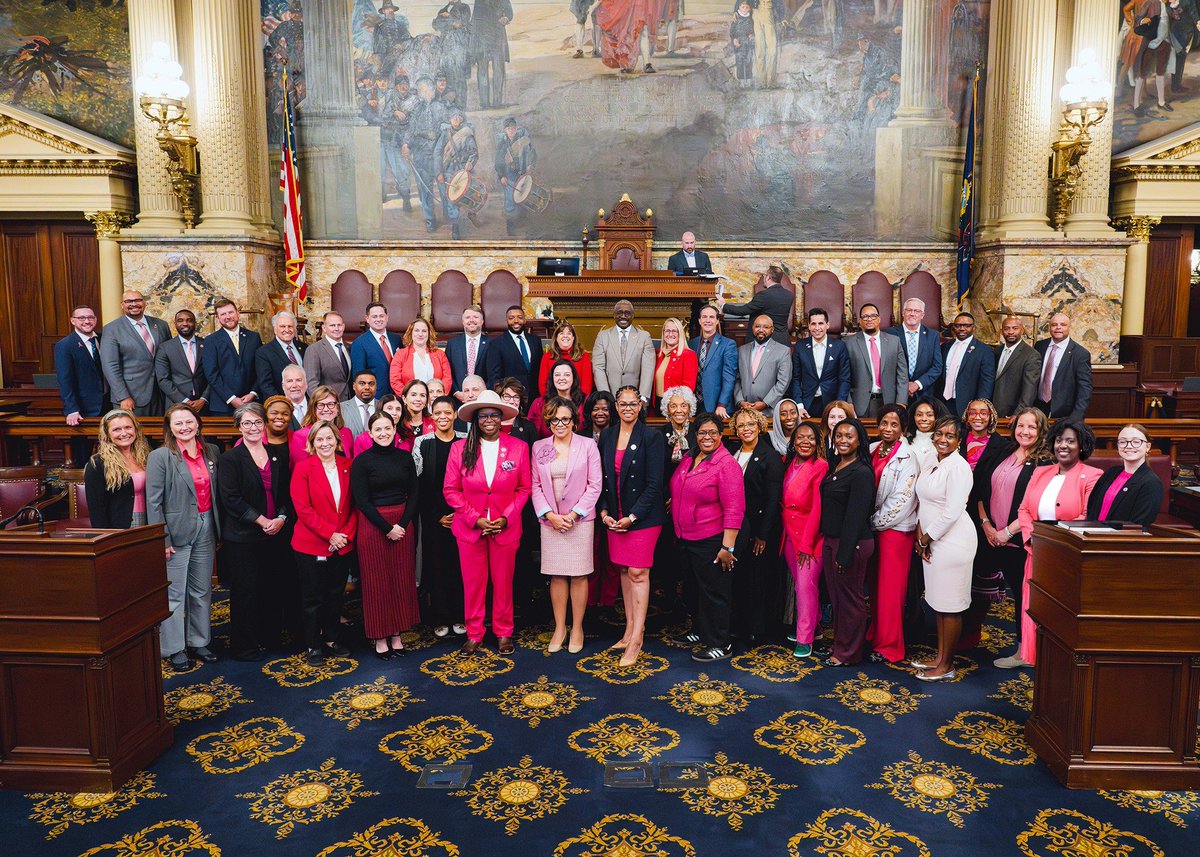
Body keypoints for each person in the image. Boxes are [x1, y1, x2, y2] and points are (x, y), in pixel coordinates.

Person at [443, 390, 532, 655]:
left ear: (502, 418)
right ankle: (474, 633)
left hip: (506, 528)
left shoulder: (518, 447)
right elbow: (450, 490)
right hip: (471, 530)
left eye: (494, 415)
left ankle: (504, 632)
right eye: (483, 416)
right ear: (475, 420)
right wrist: (476, 519)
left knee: (504, 583)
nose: (489, 420)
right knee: (473, 583)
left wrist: (506, 517)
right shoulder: (460, 448)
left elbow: (524, 489)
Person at [1015, 420, 1102, 666]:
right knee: (1034, 607)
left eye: (1070, 441)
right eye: (1059, 440)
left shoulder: (1093, 476)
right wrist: (1033, 539)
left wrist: (1051, 543)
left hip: (1065, 557)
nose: (1063, 445)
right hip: (1036, 551)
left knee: (1059, 614)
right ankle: (1035, 662)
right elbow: (1023, 510)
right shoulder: (1040, 471)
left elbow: (1086, 517)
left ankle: (1057, 666)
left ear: (1082, 446)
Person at [146, 404, 222, 672]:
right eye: (178, 423)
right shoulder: (161, 456)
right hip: (175, 531)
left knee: (202, 590)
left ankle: (199, 641)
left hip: (207, 526)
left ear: (198, 424)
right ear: (170, 428)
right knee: (174, 594)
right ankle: (174, 648)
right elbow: (153, 502)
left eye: (189, 422)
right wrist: (161, 539)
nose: (185, 427)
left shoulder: (211, 451)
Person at [973, 406, 1050, 670]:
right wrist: (986, 524)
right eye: (1021, 426)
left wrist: (1007, 532)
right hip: (991, 534)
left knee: (1023, 596)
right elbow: (981, 487)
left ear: (1041, 431)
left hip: (1019, 541)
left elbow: (1035, 505)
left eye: (1031, 427)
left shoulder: (1045, 462)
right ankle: (967, 638)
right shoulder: (1003, 451)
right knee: (978, 582)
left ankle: (1023, 652)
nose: (1025, 431)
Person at [217, 403, 292, 662]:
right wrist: (261, 520)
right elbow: (231, 499)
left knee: (272, 588)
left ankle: (269, 638)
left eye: (258, 422)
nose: (253, 427)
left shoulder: (277, 455)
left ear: (265, 425)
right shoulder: (230, 459)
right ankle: (245, 645)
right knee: (245, 591)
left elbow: (285, 494)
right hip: (243, 536)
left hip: (275, 533)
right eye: (247, 423)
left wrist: (280, 518)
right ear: (239, 426)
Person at [669, 412, 745, 662]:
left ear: (721, 435)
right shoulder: (690, 457)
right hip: (686, 537)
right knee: (693, 590)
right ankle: (700, 631)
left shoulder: (726, 464)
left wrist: (728, 547)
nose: (707, 437)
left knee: (715, 593)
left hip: (712, 540)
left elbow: (735, 508)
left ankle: (720, 643)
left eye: (713, 432)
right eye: (702, 432)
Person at [598, 386, 666, 666]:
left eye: (633, 403)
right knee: (625, 571)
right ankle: (628, 630)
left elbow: (654, 484)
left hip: (643, 518)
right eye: (623, 403)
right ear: (616, 406)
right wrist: (604, 512)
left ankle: (637, 637)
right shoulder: (608, 435)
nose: (628, 408)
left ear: (640, 406)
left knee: (638, 572)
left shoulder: (652, 436)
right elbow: (602, 477)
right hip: (615, 516)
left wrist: (633, 517)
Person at [532, 396, 603, 653]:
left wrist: (574, 515)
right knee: (557, 574)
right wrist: (550, 515)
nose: (559, 424)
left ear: (574, 421)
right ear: (548, 422)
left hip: (579, 520)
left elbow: (595, 485)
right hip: (551, 521)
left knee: (579, 574)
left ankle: (578, 627)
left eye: (565, 419)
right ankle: (560, 627)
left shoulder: (587, 446)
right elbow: (535, 486)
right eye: (554, 420)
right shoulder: (539, 446)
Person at [912, 416, 977, 681]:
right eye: (940, 433)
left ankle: (947, 666)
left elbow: (952, 512)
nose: (942, 439)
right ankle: (939, 657)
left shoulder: (959, 467)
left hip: (954, 542)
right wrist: (920, 534)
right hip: (931, 539)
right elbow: (921, 499)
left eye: (950, 436)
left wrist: (926, 538)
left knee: (950, 604)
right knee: (938, 602)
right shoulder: (931, 459)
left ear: (960, 441)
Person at [351, 410, 421, 659]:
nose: (383, 433)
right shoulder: (362, 461)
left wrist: (401, 524)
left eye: (387, 428)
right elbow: (362, 501)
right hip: (373, 525)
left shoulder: (404, 457)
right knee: (376, 583)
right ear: (370, 433)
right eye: (378, 429)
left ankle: (397, 635)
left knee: (401, 580)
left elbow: (414, 493)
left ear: (394, 430)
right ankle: (380, 638)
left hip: (402, 524)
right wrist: (387, 528)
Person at [291, 420, 356, 666]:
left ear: (337, 441)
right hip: (312, 544)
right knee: (312, 598)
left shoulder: (349, 466)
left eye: (329, 438)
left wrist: (345, 535)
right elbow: (303, 509)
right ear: (312, 443)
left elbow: (356, 507)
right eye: (319, 439)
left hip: (342, 544)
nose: (325, 443)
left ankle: (331, 638)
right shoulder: (303, 469)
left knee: (334, 595)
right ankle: (313, 644)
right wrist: (330, 534)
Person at [819, 418, 876, 666]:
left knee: (851, 600)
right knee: (838, 598)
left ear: (859, 440)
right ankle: (840, 644)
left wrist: (844, 553)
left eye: (849, 436)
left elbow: (856, 515)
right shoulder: (838, 465)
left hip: (851, 544)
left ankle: (848, 653)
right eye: (839, 435)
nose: (843, 440)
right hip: (833, 541)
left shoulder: (862, 472)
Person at [727, 407, 783, 645]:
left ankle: (756, 629)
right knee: (738, 578)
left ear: (760, 426)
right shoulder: (732, 453)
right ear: (736, 430)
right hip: (736, 527)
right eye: (741, 425)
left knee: (757, 580)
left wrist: (762, 535)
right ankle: (738, 625)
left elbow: (773, 500)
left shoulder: (770, 456)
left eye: (750, 424)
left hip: (759, 529)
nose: (746, 429)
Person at [867, 404, 919, 664]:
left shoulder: (908, 458)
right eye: (884, 423)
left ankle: (890, 645)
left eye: (894, 424)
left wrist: (872, 523)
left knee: (890, 591)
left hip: (895, 531)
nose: (888, 428)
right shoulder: (872, 449)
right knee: (875, 587)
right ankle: (876, 634)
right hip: (875, 528)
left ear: (903, 428)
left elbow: (902, 501)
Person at [417, 396, 467, 638]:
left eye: (448, 412)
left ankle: (460, 615)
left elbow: (470, 483)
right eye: (438, 413)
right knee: (436, 567)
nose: (443, 417)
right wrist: (437, 516)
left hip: (462, 516)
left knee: (460, 568)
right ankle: (440, 617)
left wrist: (459, 514)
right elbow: (418, 486)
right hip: (433, 518)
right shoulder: (422, 443)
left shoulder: (466, 442)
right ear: (431, 415)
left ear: (455, 414)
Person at [781, 422, 828, 658]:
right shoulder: (789, 464)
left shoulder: (821, 466)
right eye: (800, 438)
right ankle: (815, 627)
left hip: (810, 537)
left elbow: (818, 509)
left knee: (805, 586)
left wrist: (808, 543)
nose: (805, 442)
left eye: (811, 438)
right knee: (803, 586)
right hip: (789, 534)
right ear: (793, 441)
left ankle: (805, 637)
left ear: (818, 442)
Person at [100, 289, 171, 416]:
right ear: (122, 305)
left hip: (161, 394)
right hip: (131, 396)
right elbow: (110, 366)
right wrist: (123, 396)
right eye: (129, 301)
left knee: (160, 434)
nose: (134, 304)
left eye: (138, 300)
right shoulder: (111, 329)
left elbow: (169, 356)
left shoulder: (161, 325)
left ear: (144, 303)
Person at [56, 304, 108, 464]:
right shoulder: (65, 345)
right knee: (83, 455)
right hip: (83, 409)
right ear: (73, 321)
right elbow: (65, 380)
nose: (87, 321)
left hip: (108, 404)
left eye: (91, 317)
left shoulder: (104, 339)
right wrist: (72, 409)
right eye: (82, 318)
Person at [83, 409, 151, 529]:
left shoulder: (147, 457)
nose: (124, 433)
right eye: (116, 429)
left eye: (128, 427)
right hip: (118, 528)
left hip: (150, 522)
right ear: (107, 434)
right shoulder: (97, 464)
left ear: (135, 429)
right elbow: (97, 510)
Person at [1087, 423, 1164, 528]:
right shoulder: (1111, 473)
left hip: (1120, 540)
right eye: (1123, 442)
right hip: (1092, 535)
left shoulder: (1151, 483)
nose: (1129, 446)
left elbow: (1139, 525)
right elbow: (1092, 506)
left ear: (1147, 447)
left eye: (1136, 442)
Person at [845, 303, 907, 417]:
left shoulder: (894, 341)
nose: (869, 319)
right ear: (860, 320)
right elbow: (844, 377)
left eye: (873, 316)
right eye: (865, 317)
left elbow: (902, 375)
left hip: (889, 402)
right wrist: (848, 403)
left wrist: (901, 403)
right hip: (859, 405)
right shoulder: (848, 343)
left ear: (879, 319)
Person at [202, 298, 261, 416]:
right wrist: (231, 398)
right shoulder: (211, 341)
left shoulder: (253, 337)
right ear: (218, 318)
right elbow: (211, 374)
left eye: (231, 312)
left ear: (238, 313)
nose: (228, 317)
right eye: (223, 314)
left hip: (251, 402)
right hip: (223, 406)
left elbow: (260, 369)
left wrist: (253, 393)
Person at [791, 307, 851, 418]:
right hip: (807, 404)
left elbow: (844, 379)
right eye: (813, 324)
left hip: (832, 404)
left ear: (827, 325)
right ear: (809, 326)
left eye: (821, 323)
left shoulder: (839, 346)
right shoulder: (800, 347)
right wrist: (799, 406)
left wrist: (839, 405)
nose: (817, 328)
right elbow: (795, 378)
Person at [592, 300, 656, 402]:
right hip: (610, 397)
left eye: (627, 313)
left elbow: (648, 369)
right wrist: (606, 397)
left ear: (633, 315)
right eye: (619, 313)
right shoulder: (603, 336)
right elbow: (598, 368)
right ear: (613, 315)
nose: (623, 316)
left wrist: (642, 398)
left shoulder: (644, 336)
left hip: (636, 400)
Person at [1033, 313, 1092, 422]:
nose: (1058, 327)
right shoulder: (1039, 346)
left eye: (1063, 325)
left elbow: (1084, 388)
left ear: (1069, 328)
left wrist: (1077, 415)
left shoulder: (1080, 354)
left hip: (1063, 412)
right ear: (1049, 328)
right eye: (1054, 324)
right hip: (1037, 407)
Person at [883, 298, 943, 404]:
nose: (912, 314)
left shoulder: (932, 335)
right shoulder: (888, 334)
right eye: (909, 310)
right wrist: (903, 385)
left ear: (922, 315)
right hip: (895, 393)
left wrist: (917, 384)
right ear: (903, 313)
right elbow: (885, 365)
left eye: (916, 311)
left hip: (923, 394)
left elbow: (937, 366)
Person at [935, 313, 994, 419]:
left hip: (967, 404)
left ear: (973, 327)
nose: (962, 329)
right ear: (953, 327)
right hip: (943, 403)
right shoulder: (945, 347)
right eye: (958, 325)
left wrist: (979, 406)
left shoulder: (984, 350)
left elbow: (987, 381)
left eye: (966, 325)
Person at [718, 265, 794, 345]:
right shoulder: (789, 295)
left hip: (765, 340)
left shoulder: (763, 295)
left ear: (768, 277)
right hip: (783, 339)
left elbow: (743, 310)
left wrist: (723, 305)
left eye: (764, 276)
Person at [733, 315, 793, 411]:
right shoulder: (741, 350)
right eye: (757, 326)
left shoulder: (783, 351)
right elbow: (736, 379)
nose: (761, 330)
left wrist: (765, 403)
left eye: (766, 327)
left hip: (768, 411)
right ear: (752, 328)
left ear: (772, 330)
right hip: (744, 410)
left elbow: (783, 382)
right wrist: (740, 401)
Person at [690, 304, 739, 419]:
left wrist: (722, 404)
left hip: (716, 406)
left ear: (717, 321)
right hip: (694, 404)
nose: (707, 320)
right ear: (699, 320)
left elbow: (729, 377)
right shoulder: (692, 344)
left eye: (711, 317)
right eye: (704, 317)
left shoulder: (728, 344)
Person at [155, 309, 208, 413]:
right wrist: (185, 401)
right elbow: (163, 380)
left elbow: (213, 375)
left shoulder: (206, 344)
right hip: (176, 404)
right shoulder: (165, 348)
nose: (185, 323)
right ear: (175, 324)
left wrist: (203, 399)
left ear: (195, 323)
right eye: (180, 320)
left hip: (203, 406)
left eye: (189, 320)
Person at [484, 305, 543, 394]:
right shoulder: (496, 344)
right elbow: (494, 376)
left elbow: (540, 370)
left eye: (520, 317)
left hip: (534, 396)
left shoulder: (535, 341)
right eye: (511, 318)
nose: (516, 321)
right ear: (507, 321)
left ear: (525, 320)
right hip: (510, 397)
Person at [992, 316, 1042, 418]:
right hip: (992, 412)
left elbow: (1029, 390)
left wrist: (1019, 414)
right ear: (1001, 331)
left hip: (1011, 414)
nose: (1010, 332)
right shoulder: (996, 351)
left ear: (1022, 330)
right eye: (1006, 329)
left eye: (1015, 328)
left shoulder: (1031, 355)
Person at [351, 302, 404, 397]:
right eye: (374, 316)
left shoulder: (396, 339)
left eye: (381, 316)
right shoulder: (359, 343)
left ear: (387, 317)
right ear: (367, 319)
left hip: (397, 395)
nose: (378, 319)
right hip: (375, 396)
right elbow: (359, 377)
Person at [292, 386, 355, 466]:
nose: (326, 409)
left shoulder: (346, 432)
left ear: (337, 408)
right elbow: (300, 470)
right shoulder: (301, 436)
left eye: (331, 404)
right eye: (321, 405)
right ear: (314, 409)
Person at [390, 316, 452, 394]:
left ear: (429, 333)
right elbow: (395, 381)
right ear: (411, 333)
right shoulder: (400, 354)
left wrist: (440, 395)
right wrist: (410, 397)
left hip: (436, 401)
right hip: (411, 402)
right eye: (416, 330)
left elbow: (447, 379)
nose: (420, 334)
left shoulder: (440, 354)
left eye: (424, 331)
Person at [596, 0, 659, 73]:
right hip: (627, 5)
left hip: (640, 4)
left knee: (642, 28)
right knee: (628, 33)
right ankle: (628, 64)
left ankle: (646, 63)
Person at [255, 311, 306, 400]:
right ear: (275, 329)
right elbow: (266, 385)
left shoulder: (304, 348)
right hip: (280, 406)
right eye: (282, 326)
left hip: (305, 404)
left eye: (290, 326)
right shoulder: (264, 352)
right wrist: (283, 403)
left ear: (295, 329)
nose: (287, 330)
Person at [471, 0, 512, 109]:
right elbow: (474, 20)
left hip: (497, 37)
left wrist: (506, 18)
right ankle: (484, 103)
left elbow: (509, 12)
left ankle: (497, 102)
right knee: (482, 71)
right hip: (482, 39)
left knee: (499, 70)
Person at [529, 359, 586, 437]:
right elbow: (532, 434)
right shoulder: (539, 404)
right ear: (552, 378)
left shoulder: (585, 401)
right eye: (557, 375)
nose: (561, 378)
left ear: (574, 377)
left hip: (580, 447)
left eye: (567, 375)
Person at [304, 312, 353, 402]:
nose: (336, 328)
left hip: (350, 404)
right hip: (328, 405)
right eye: (332, 325)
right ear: (324, 328)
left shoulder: (350, 347)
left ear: (344, 326)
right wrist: (322, 404)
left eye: (339, 325)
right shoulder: (314, 350)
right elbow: (311, 384)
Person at [537, 320, 594, 397]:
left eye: (569, 334)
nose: (565, 336)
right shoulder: (547, 357)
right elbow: (543, 385)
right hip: (553, 401)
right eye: (561, 333)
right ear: (556, 338)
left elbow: (586, 386)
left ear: (573, 338)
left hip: (577, 401)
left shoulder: (583, 356)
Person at [445, 305, 491, 396]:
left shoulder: (492, 344)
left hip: (483, 398)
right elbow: (447, 372)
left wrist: (484, 393)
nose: (471, 320)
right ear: (463, 322)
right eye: (467, 317)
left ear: (482, 321)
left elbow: (494, 373)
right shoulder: (452, 344)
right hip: (458, 398)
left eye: (475, 317)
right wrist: (456, 392)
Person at [653, 317, 698, 405]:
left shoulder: (688, 354)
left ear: (680, 333)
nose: (670, 334)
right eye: (667, 331)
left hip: (675, 405)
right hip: (657, 404)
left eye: (674, 331)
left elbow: (688, 388)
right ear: (663, 333)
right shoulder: (658, 354)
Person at [907, 398, 949, 467]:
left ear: (938, 417)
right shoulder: (905, 440)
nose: (924, 419)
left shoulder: (944, 442)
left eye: (929, 415)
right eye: (919, 415)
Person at [341, 370, 379, 439]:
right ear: (354, 386)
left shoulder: (383, 406)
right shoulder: (341, 408)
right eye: (362, 383)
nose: (367, 387)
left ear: (376, 386)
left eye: (371, 384)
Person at [281, 364, 309, 429]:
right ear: (283, 386)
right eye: (289, 381)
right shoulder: (276, 411)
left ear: (306, 384)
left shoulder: (316, 407)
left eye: (298, 380)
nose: (294, 385)